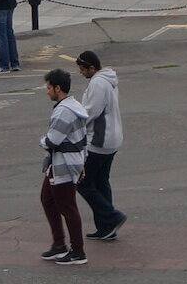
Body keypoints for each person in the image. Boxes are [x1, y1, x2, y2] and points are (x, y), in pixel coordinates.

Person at [39, 68, 90, 265]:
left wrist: (41, 141)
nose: (47, 91)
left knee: (67, 207)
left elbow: (52, 140)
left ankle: (78, 251)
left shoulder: (63, 112)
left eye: (49, 87)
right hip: (66, 162)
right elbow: (82, 138)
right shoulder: (73, 106)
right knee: (48, 199)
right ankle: (59, 244)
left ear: (57, 88)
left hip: (63, 164)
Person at [76, 50, 127, 241]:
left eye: (82, 69)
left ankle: (112, 216)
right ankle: (106, 227)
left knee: (82, 182)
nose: (81, 73)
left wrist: (74, 126)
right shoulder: (109, 80)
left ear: (92, 67)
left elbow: (90, 112)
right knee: (101, 181)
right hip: (113, 139)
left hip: (98, 141)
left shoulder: (97, 83)